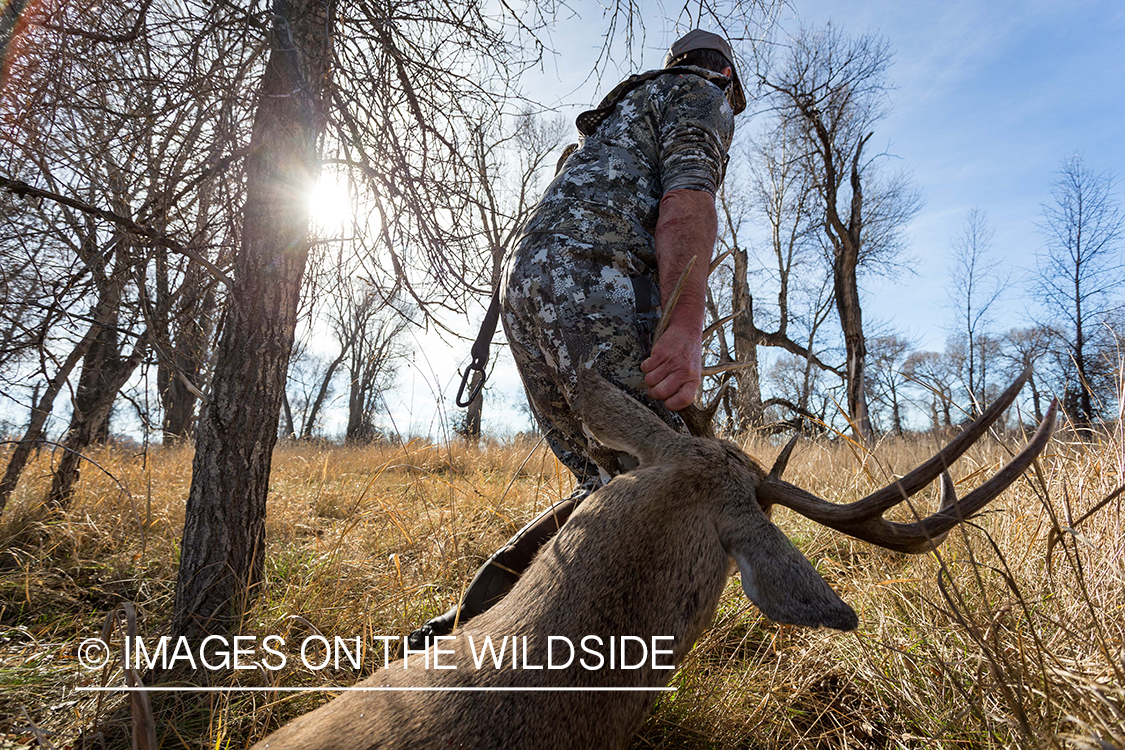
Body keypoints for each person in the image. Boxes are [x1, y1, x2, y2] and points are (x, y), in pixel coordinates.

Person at [409, 29, 746, 647]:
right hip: (595, 284)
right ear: (724, 75)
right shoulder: (700, 96)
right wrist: (683, 327)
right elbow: (686, 203)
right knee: (658, 484)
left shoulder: (612, 123)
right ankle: (571, 667)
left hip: (528, 287)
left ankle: (455, 634)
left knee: (606, 486)